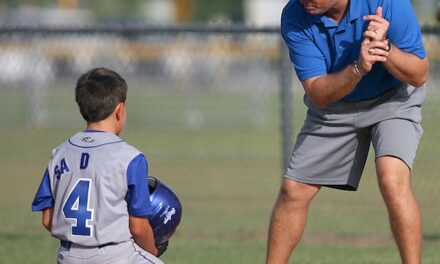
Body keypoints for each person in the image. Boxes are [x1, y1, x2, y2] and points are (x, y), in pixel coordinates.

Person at [267, 0, 429, 263]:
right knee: (293, 190)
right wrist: (359, 68)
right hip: (335, 104)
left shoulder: (386, 3)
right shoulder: (295, 15)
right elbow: (318, 92)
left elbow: (420, 73)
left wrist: (384, 49)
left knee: (392, 179)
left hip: (392, 99)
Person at [31, 67, 167, 264]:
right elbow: (137, 227)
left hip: (68, 256)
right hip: (115, 255)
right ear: (120, 110)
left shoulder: (59, 154)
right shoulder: (130, 157)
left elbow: (47, 219)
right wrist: (151, 250)